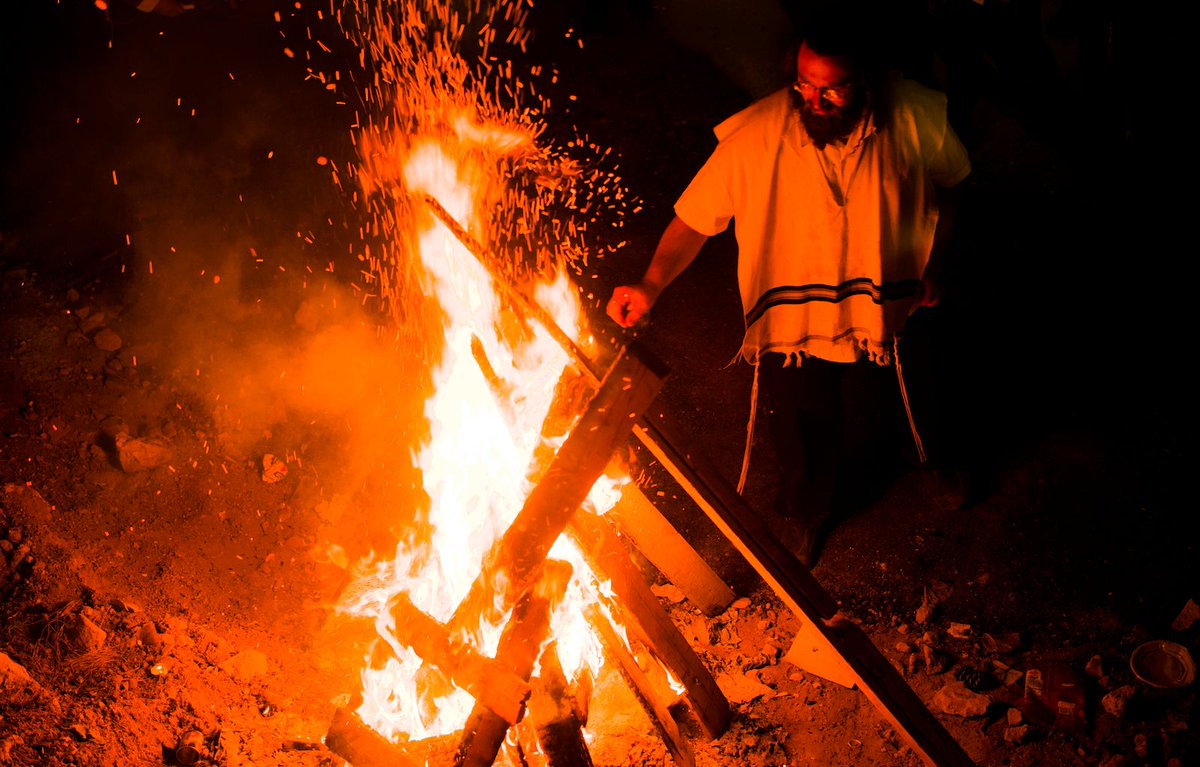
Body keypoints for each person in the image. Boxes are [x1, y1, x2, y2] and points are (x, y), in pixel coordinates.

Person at [605, 5, 973, 565]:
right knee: (802, 417)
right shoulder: (756, 135)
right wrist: (650, 284)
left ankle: (930, 458)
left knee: (917, 391)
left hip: (895, 295)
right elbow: (694, 220)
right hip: (798, 311)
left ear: (868, 80)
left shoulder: (915, 116)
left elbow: (953, 184)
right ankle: (806, 512)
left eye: (834, 90)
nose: (815, 102)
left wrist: (933, 263)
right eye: (804, 85)